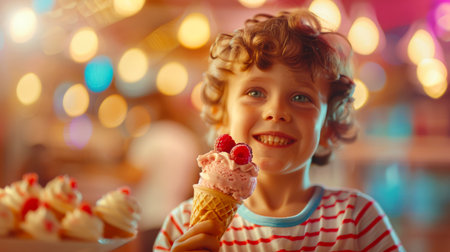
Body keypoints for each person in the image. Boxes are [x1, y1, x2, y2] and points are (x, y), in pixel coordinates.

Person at [154, 8, 404, 251]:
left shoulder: (357, 219)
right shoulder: (183, 225)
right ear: (222, 115)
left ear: (328, 127)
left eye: (301, 98)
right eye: (255, 92)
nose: (277, 111)